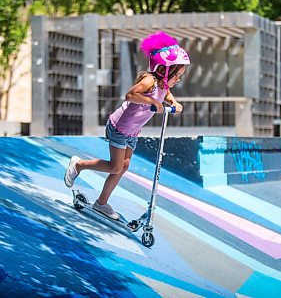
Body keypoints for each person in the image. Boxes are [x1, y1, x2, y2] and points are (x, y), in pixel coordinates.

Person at [63, 31, 190, 220]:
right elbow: (130, 95)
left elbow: (167, 95)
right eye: (177, 75)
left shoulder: (164, 85)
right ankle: (79, 164)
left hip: (133, 132)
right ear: (164, 69)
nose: (178, 79)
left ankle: (101, 203)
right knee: (115, 167)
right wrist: (152, 103)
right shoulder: (150, 81)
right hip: (120, 127)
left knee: (123, 167)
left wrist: (175, 104)